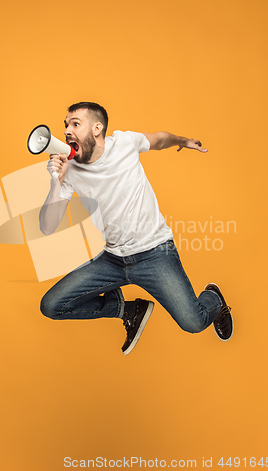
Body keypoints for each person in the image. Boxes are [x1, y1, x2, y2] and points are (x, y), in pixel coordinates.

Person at [39, 102, 233, 355]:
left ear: (97, 128)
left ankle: (215, 300)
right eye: (66, 124)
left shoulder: (124, 143)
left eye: (75, 123)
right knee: (51, 306)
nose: (66, 130)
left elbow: (159, 139)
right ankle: (127, 310)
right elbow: (46, 227)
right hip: (113, 260)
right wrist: (57, 182)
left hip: (154, 254)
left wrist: (183, 141)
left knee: (194, 323)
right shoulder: (70, 169)